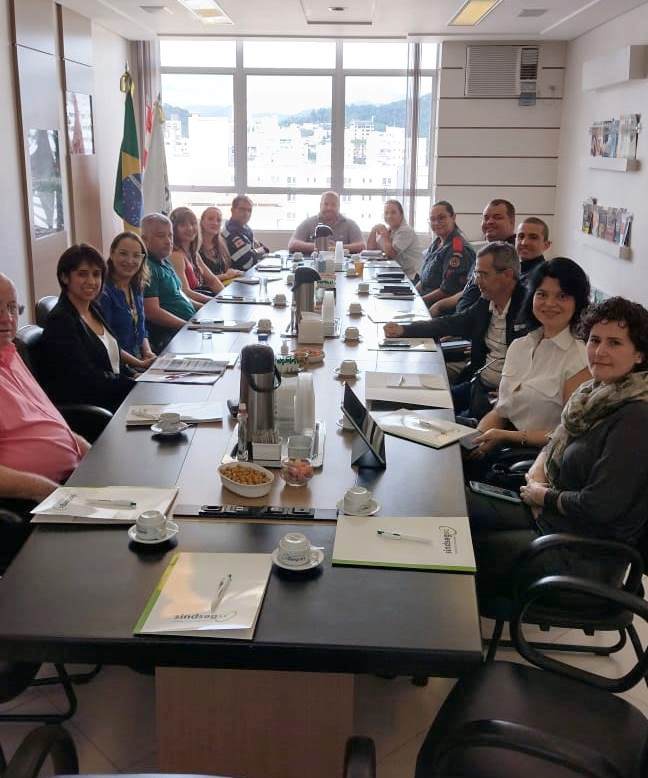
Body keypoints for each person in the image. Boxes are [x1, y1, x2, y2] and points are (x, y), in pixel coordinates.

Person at [470, 296, 648, 599]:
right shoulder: (593, 394)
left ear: (640, 354)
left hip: (582, 555)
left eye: (615, 343)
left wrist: (543, 496)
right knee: (461, 509)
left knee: (467, 546)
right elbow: (557, 440)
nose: (600, 352)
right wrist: (537, 474)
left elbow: (599, 506)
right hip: (551, 520)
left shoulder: (636, 417)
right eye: (595, 340)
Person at [384, 242, 526, 419]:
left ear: (507, 275)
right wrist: (404, 330)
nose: (477, 281)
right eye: (476, 274)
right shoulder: (487, 301)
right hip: (478, 385)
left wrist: (516, 391)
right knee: (409, 401)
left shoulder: (527, 310)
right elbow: (452, 323)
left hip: (498, 399)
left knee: (433, 419)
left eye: (483, 275)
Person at [469, 258, 591, 463]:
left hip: (536, 458)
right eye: (542, 294)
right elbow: (502, 410)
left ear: (577, 302)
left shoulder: (580, 359)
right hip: (501, 442)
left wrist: (506, 436)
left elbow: (568, 433)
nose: (549, 303)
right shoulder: (520, 346)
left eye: (562, 296)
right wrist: (476, 440)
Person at [0, 273, 89, 503]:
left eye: (12, 308)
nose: (7, 318)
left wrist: (93, 458)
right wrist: (57, 495)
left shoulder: (9, 352)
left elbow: (46, 421)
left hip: (72, 482)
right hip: (34, 501)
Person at [38, 244, 135, 413]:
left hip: (116, 396)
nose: (91, 281)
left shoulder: (94, 308)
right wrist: (132, 384)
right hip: (96, 409)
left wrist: (135, 376)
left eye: (96, 274)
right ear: (65, 277)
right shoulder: (60, 320)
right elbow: (86, 378)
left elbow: (113, 361)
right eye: (82, 274)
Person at [430, 199, 516, 318]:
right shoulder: (487, 251)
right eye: (486, 218)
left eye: (497, 217)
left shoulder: (512, 256)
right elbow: (469, 289)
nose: (490, 221)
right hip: (458, 314)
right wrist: (438, 305)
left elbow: (449, 290)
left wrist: (437, 306)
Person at [97, 231, 157, 371]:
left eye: (136, 256)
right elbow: (106, 343)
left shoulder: (136, 287)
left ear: (142, 259)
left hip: (138, 361)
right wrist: (139, 364)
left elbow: (142, 329)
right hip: (117, 367)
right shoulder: (103, 293)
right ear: (112, 254)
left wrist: (148, 352)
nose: (130, 261)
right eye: (123, 254)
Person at [142, 212, 197, 351]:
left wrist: (206, 309)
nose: (168, 241)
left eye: (170, 235)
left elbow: (180, 295)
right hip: (168, 334)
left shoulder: (165, 262)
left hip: (186, 327)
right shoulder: (148, 267)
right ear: (144, 239)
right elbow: (152, 312)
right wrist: (186, 325)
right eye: (161, 236)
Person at [415, 201, 475, 307]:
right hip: (424, 301)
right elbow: (424, 281)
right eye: (432, 219)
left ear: (453, 217)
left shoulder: (457, 248)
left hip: (440, 307)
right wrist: (413, 294)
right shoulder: (437, 242)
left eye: (441, 218)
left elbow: (448, 290)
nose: (436, 223)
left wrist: (417, 302)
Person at [169, 206, 224, 304]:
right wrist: (215, 301)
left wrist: (226, 297)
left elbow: (212, 281)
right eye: (183, 225)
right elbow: (185, 292)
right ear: (173, 229)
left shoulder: (194, 254)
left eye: (193, 223)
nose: (190, 228)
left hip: (203, 300)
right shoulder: (175, 256)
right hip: (192, 305)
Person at [288, 191, 365, 255]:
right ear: (320, 205)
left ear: (339, 207)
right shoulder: (308, 222)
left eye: (333, 205)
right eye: (326, 204)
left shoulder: (350, 224)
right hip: (314, 265)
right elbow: (292, 244)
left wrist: (336, 247)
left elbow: (362, 246)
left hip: (343, 265)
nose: (329, 208)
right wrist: (319, 246)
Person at [366, 200, 421, 281]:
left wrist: (385, 235)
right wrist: (373, 230)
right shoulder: (391, 230)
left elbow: (391, 254)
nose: (389, 216)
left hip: (409, 277)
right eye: (386, 213)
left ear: (401, 215)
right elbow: (371, 250)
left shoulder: (405, 230)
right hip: (394, 273)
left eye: (393, 212)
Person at [222, 195, 269, 271]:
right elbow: (248, 262)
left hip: (251, 272)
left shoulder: (245, 228)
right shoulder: (230, 231)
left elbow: (266, 249)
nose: (246, 213)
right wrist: (260, 250)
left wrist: (255, 251)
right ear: (232, 210)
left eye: (249, 210)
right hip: (239, 275)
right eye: (242, 209)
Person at [198, 207, 242, 282]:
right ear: (202, 221)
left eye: (218, 220)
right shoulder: (196, 246)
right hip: (208, 288)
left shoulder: (222, 242)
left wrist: (235, 273)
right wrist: (225, 276)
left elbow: (226, 269)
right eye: (210, 219)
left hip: (225, 284)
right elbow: (200, 280)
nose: (215, 223)